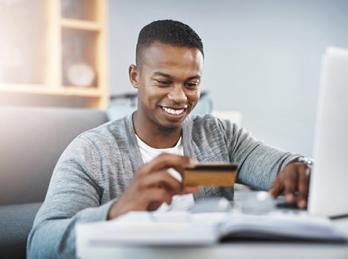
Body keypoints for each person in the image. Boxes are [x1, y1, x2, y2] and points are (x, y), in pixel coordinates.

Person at [27, 20, 310, 258]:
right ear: (135, 76)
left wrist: (298, 169)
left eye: (191, 84)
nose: (179, 97)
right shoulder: (92, 151)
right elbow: (39, 244)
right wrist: (116, 212)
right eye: (163, 82)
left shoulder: (220, 136)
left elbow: (283, 166)